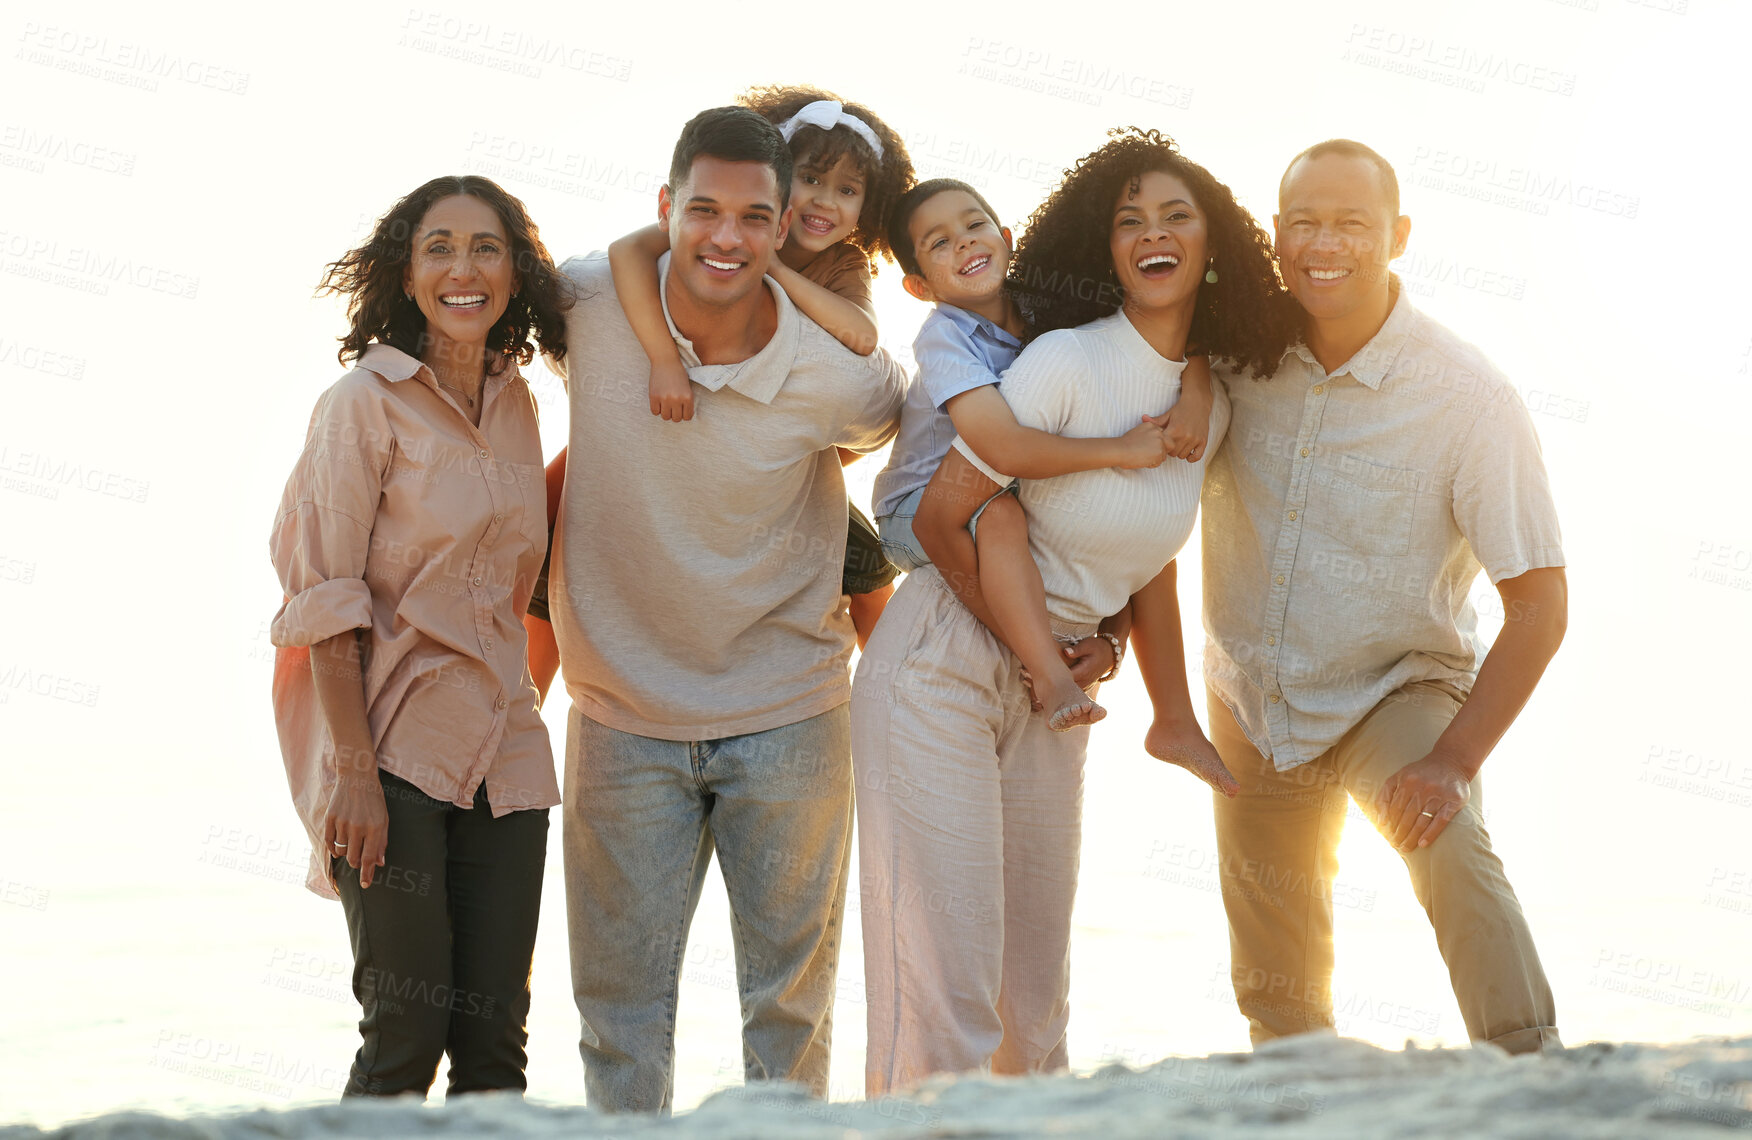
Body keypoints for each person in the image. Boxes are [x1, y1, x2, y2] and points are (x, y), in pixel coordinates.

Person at [852, 129, 1296, 1095]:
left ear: (1214, 243)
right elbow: (940, 512)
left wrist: (1165, 708)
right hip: (946, 656)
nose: (1153, 233)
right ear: (1103, 244)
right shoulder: (1057, 362)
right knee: (949, 987)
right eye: (1129, 218)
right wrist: (1034, 650)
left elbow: (1149, 563)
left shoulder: (1204, 402)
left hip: (1061, 681)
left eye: (1177, 215)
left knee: (1035, 998)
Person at [544, 105, 907, 1114]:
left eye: (755, 217)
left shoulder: (831, 371)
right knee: (617, 1019)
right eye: (702, 211)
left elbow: (898, 407)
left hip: (789, 709)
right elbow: (468, 297)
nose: (725, 237)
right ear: (667, 209)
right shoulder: (587, 303)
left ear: (787, 224)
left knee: (791, 1019)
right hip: (622, 717)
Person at [1201, 139, 1567, 1055]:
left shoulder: (1467, 395)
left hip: (1395, 687)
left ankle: (1533, 1063)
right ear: (1274, 234)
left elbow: (1542, 603)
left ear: (1398, 235)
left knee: (1449, 851)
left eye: (1352, 224)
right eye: (1304, 223)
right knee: (1277, 997)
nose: (1325, 244)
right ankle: (1301, 1093)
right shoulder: (1231, 355)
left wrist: (1452, 760)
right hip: (1253, 696)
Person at [267, 175, 570, 1098]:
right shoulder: (362, 403)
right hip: (390, 752)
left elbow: (518, 591)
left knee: (495, 1050)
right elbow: (326, 596)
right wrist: (351, 773)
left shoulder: (521, 406)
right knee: (403, 1034)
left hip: (507, 756)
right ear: (406, 272)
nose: (462, 269)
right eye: (438, 247)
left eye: (486, 247)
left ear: (515, 274)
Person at [870, 177, 1215, 729]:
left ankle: (1136, 689)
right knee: (1004, 516)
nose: (963, 242)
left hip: (990, 498)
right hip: (912, 509)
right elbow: (1001, 448)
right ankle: (1047, 673)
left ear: (1006, 237)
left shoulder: (1044, 306)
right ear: (918, 286)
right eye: (939, 243)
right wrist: (1120, 451)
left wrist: (1197, 384)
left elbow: (1156, 325)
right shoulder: (945, 335)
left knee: (1085, 517)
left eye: (974, 225)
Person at [595, 85, 914, 648]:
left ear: (871, 205)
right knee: (567, 506)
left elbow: (862, 336)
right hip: (668, 419)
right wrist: (663, 360)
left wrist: (773, 269)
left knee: (865, 565)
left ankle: (889, 697)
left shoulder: (843, 264)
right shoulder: (723, 224)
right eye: (811, 179)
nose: (824, 201)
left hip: (776, 458)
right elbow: (627, 252)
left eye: (847, 190)